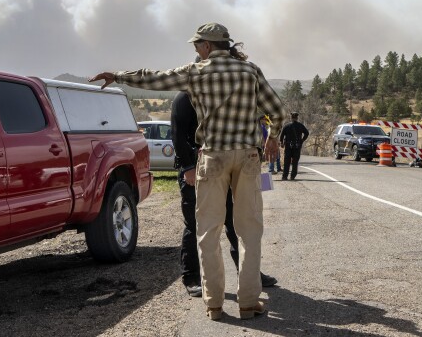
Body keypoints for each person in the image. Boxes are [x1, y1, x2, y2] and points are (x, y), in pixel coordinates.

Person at [91, 22, 286, 321]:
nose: (195, 49)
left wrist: (118, 76)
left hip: (212, 157)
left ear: (207, 46)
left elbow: (153, 79)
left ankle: (215, 304)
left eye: (197, 45)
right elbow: (277, 110)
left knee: (207, 232)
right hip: (247, 157)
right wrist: (272, 138)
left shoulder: (197, 72)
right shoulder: (251, 72)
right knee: (248, 231)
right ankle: (248, 302)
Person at [171, 91, 277, 298]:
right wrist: (188, 167)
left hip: (225, 168)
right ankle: (192, 277)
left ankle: (249, 274)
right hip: (196, 168)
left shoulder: (221, 93)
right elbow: (177, 134)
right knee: (196, 225)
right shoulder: (184, 98)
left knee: (236, 222)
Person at [279, 112, 309, 180]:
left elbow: (282, 135)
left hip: (288, 146)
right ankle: (292, 176)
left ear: (291, 117)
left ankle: (284, 176)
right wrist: (302, 140)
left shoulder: (286, 126)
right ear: (297, 118)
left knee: (287, 162)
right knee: (295, 162)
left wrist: (282, 143)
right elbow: (307, 133)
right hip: (297, 146)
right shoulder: (300, 125)